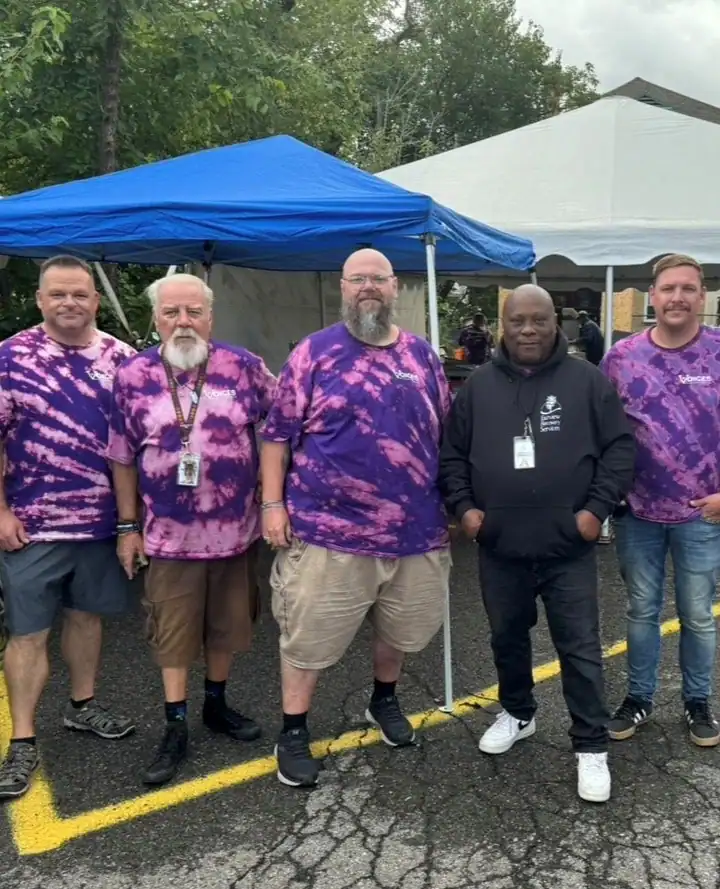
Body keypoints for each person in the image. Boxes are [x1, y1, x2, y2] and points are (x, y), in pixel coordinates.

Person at [261, 248, 452, 789]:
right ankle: (293, 730)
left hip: (415, 532)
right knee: (308, 639)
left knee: (399, 630)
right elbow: (276, 436)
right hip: (328, 532)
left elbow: (447, 434)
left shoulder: (423, 356)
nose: (368, 287)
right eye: (357, 278)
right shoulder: (314, 354)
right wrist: (272, 505)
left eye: (378, 279)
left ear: (395, 288)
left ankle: (383, 701)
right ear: (343, 287)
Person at [439, 284, 635, 804]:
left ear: (558, 325)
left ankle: (591, 746)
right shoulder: (478, 386)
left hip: (568, 545)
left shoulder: (588, 382)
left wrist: (596, 512)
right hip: (499, 543)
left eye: (539, 320)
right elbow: (452, 455)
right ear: (503, 325)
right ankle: (519, 713)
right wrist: (466, 511)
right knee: (506, 638)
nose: (529, 330)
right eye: (518, 321)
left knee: (579, 649)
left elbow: (619, 450)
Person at [108, 273, 276, 786]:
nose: (183, 322)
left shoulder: (244, 368)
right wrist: (128, 526)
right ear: (155, 318)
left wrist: (275, 502)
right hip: (169, 538)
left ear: (211, 317)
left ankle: (216, 706)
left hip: (235, 532)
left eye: (193, 312)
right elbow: (120, 457)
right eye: (171, 312)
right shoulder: (132, 374)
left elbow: (278, 430)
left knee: (227, 625)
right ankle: (175, 724)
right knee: (174, 635)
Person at [0, 255, 136, 801]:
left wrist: (131, 521)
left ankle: (84, 706)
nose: (69, 303)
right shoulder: (10, 358)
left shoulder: (122, 360)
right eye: (57, 294)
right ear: (39, 299)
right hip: (33, 526)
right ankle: (23, 740)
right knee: (28, 633)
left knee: (86, 619)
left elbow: (132, 445)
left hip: (100, 525)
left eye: (79, 294)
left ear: (95, 300)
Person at [601, 254, 720, 747]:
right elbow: (601, 432)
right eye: (669, 288)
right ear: (652, 295)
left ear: (702, 297)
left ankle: (698, 702)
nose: (678, 297)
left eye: (688, 289)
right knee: (641, 611)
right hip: (638, 515)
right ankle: (639, 697)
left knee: (697, 615)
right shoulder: (621, 358)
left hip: (701, 515)